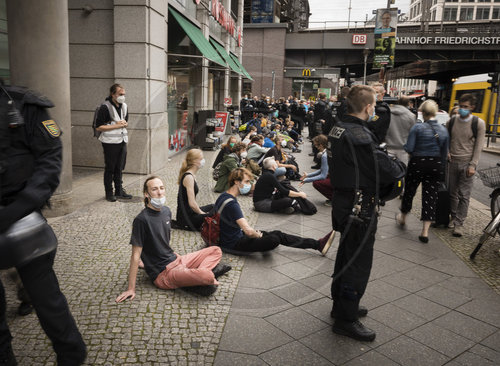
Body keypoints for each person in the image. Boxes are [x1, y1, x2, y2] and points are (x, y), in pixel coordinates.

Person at [0, 85, 86, 364]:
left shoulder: (24, 106)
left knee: (47, 301)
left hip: (22, 222)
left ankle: (71, 355)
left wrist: (17, 208)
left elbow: (50, 161)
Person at [327, 85, 405, 342]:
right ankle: (346, 319)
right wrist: (399, 164)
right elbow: (386, 169)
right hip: (359, 205)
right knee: (357, 263)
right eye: (374, 106)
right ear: (369, 107)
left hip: (344, 200)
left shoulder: (339, 127)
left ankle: (341, 304)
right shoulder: (360, 135)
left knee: (346, 255)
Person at [116, 176, 231, 300]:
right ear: (146, 194)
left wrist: (148, 263)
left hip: (177, 260)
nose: (159, 192)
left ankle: (194, 276)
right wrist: (130, 289)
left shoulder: (166, 211)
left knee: (215, 250)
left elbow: (162, 242)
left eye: (161, 188)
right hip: (164, 273)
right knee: (207, 275)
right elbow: (135, 255)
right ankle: (198, 276)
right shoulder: (141, 220)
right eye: (154, 189)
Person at [215, 168, 335, 255]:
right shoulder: (232, 204)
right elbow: (249, 232)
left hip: (231, 238)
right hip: (235, 244)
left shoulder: (224, 196)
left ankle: (317, 244)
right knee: (274, 239)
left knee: (277, 234)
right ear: (236, 182)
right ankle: (317, 245)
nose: (249, 185)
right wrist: (258, 236)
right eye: (246, 182)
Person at [395, 100, 449, 242]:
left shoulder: (417, 128)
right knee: (430, 196)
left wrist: (407, 147)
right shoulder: (444, 130)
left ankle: (403, 217)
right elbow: (444, 153)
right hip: (435, 165)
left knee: (410, 191)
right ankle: (425, 231)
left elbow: (410, 148)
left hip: (417, 163)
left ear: (423, 113)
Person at [446, 93, 486, 237]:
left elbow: (479, 147)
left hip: (467, 163)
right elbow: (446, 140)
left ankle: (459, 224)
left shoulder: (478, 123)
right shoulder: (451, 121)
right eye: (460, 106)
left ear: (472, 108)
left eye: (465, 107)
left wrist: (473, 165)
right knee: (452, 193)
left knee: (464, 195)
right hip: (452, 162)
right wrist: (447, 152)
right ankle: (453, 216)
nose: (462, 109)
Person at [95, 83, 132, 202]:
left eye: (124, 94)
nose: (122, 96)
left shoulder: (124, 106)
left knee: (119, 167)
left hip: (122, 140)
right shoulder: (105, 107)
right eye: (120, 94)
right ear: (113, 94)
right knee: (110, 168)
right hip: (109, 142)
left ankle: (119, 190)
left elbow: (125, 122)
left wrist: (124, 124)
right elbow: (98, 127)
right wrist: (116, 125)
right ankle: (109, 193)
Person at [174, 149, 214, 231]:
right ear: (195, 161)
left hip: (191, 213)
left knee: (215, 206)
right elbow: (192, 203)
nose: (203, 161)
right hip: (187, 218)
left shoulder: (192, 175)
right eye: (201, 159)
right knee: (213, 214)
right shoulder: (189, 177)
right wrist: (202, 213)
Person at [299, 135, 332, 205]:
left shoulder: (324, 156)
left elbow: (323, 175)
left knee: (316, 183)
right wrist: (308, 175)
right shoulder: (327, 152)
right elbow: (322, 170)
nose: (315, 147)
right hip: (336, 176)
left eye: (316, 145)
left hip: (334, 179)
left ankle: (334, 199)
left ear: (321, 145)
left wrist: (307, 180)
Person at [385, 96, 417, 165]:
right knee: (402, 172)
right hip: (403, 150)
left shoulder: (388, 113)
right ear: (408, 103)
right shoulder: (411, 116)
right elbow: (413, 134)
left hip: (388, 148)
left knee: (389, 172)